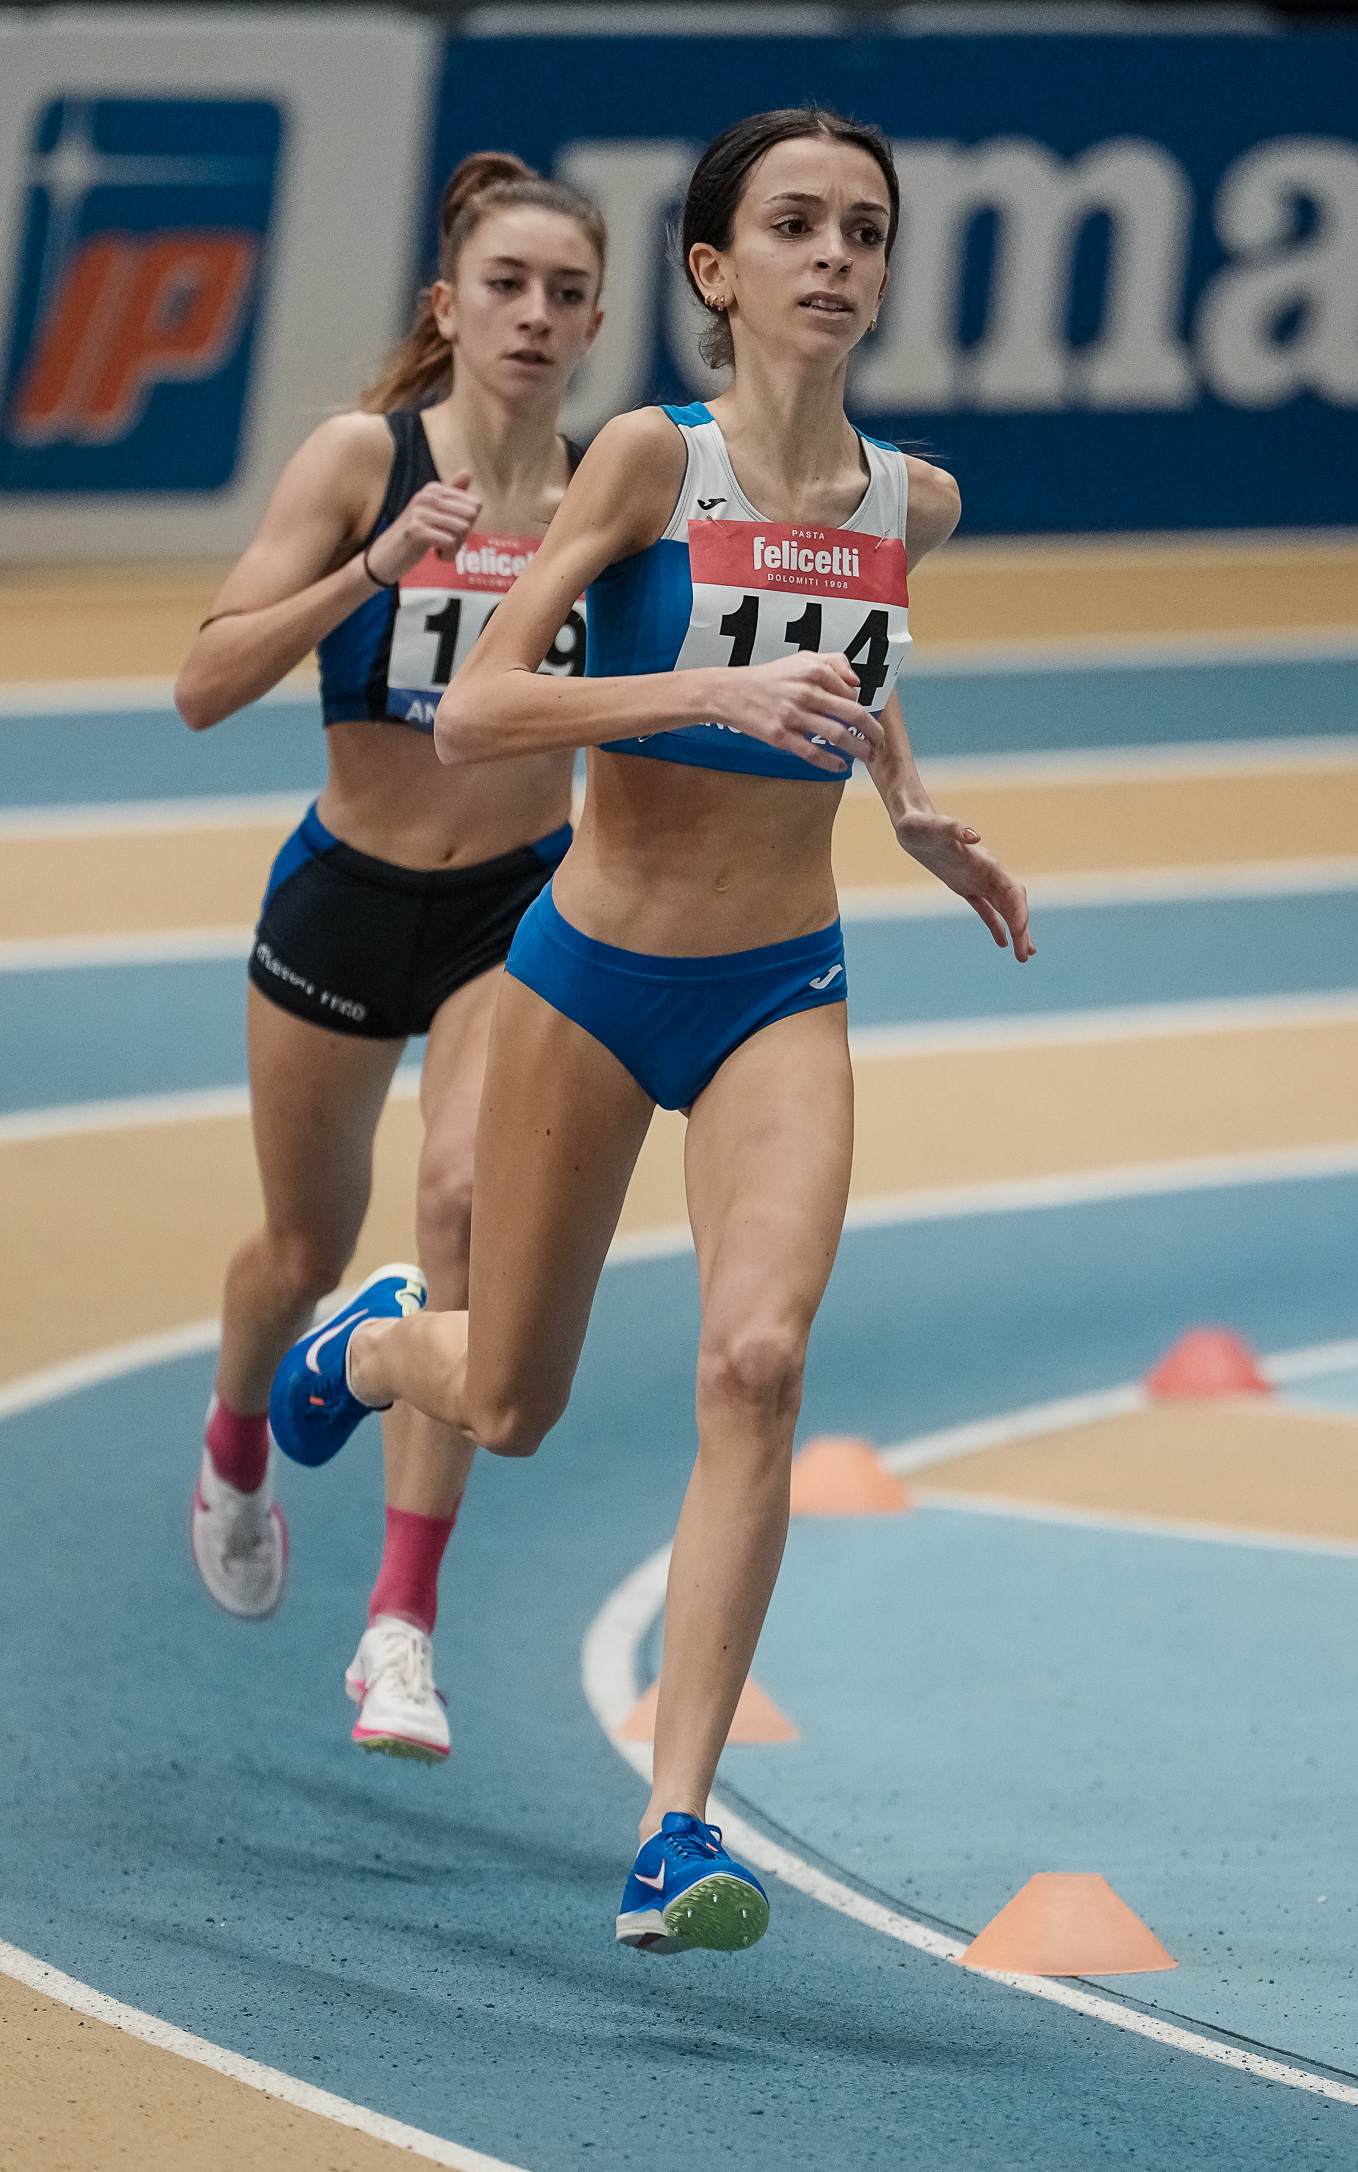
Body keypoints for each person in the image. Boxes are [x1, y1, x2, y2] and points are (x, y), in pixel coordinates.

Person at [270, 107, 1034, 1951]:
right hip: (591, 979)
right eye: (797, 225)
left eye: (866, 229)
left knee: (757, 1364)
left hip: (782, 984)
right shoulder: (645, 461)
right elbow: (482, 710)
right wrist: (704, 691)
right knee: (512, 1403)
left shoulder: (912, 502)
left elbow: (853, 657)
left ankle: (675, 1829)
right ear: (715, 268)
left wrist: (912, 805)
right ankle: (378, 1342)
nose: (836, 257)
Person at [173, 151, 606, 1767]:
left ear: (598, 323)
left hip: (516, 906)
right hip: (348, 896)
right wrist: (375, 566)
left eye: (568, 293)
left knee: (464, 1210)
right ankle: (236, 1442)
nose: (536, 315)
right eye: (508, 285)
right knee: (302, 1248)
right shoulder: (366, 458)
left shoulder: (613, 494)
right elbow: (202, 684)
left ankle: (400, 1627)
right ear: (449, 303)